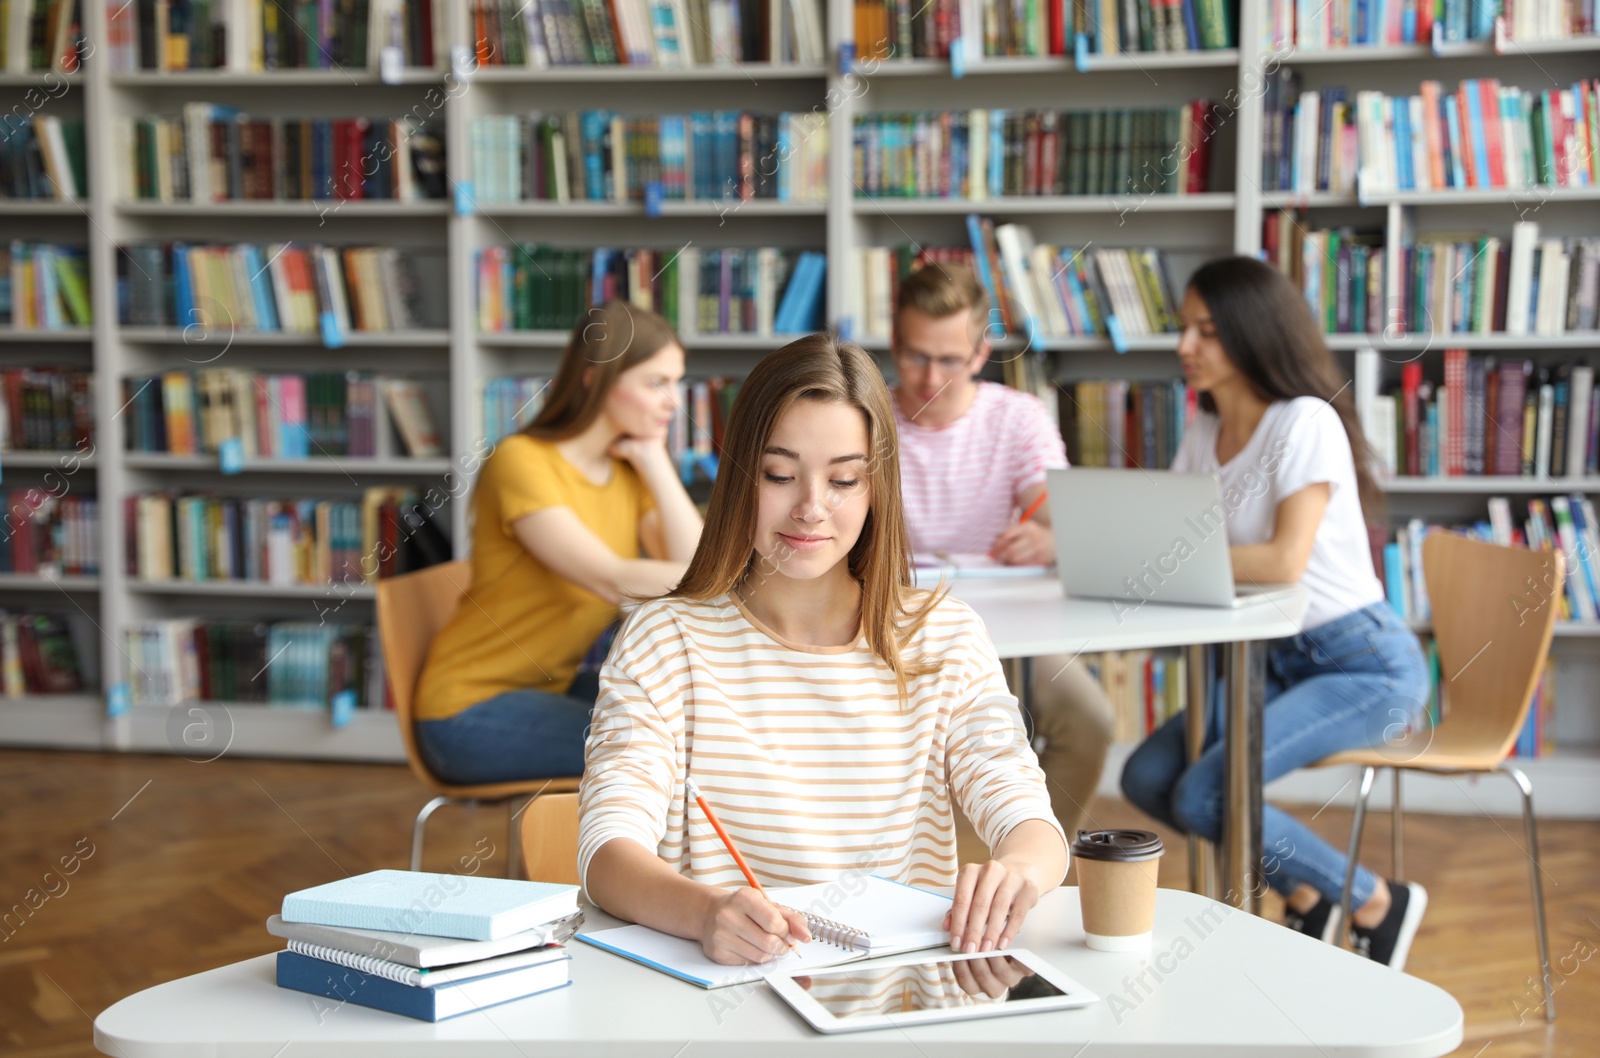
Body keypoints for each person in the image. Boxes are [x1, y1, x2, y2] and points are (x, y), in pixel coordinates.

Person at [579, 333, 1068, 966]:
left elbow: (1026, 813)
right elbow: (605, 852)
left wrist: (1020, 871)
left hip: (893, 994)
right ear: (740, 477)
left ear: (875, 489)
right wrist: (704, 912)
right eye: (780, 475)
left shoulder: (943, 636)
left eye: (843, 480)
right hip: (723, 992)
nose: (811, 508)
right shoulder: (664, 641)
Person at [1118, 256, 1431, 969]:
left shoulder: (1303, 422)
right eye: (1183, 328)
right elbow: (1171, 533)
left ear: (1252, 334)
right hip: (1265, 656)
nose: (1185, 347)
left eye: (1207, 331)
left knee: (1203, 796)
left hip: (1362, 664)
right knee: (1144, 777)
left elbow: (1283, 559)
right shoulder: (1203, 431)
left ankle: (1373, 900)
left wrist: (1165, 553)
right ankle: (1310, 897)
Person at [413, 301, 703, 785]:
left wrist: (654, 460)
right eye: (657, 383)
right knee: (655, 749)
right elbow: (612, 578)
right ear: (597, 378)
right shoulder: (522, 462)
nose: (674, 402)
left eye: (676, 382)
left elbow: (693, 560)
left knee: (690, 727)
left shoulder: (627, 472)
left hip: (549, 690)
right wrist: (740, 584)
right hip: (466, 712)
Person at [889, 263, 1116, 845]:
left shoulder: (1015, 418)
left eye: (950, 359)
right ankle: (954, 877)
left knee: (1088, 722)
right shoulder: (868, 420)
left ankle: (1025, 869)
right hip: (892, 619)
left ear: (980, 352)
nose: (930, 377)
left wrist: (1051, 538)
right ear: (894, 342)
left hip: (1004, 621)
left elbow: (1065, 519)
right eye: (915, 356)